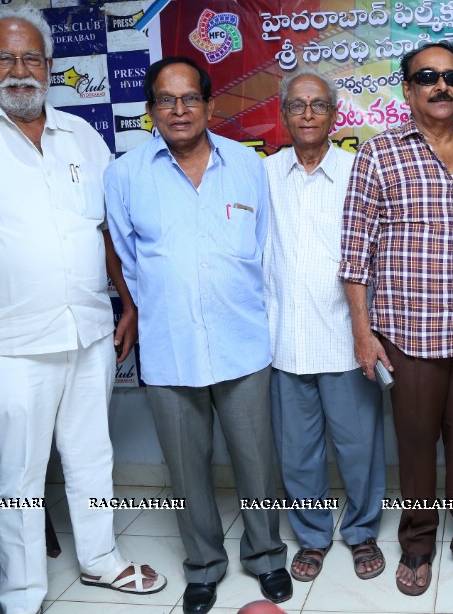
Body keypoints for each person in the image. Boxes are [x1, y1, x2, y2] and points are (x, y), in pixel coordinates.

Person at [0, 4, 165, 614]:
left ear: (51, 65)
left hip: (88, 332)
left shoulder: (81, 136)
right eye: (5, 57)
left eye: (31, 57)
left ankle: (101, 561)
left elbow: (107, 231)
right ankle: (23, 592)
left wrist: (129, 304)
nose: (19, 70)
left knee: (92, 455)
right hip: (9, 343)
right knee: (21, 475)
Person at [104, 56, 291, 614]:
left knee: (257, 460)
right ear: (150, 111)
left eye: (190, 99)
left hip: (242, 342)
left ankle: (266, 557)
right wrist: (141, 306)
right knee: (186, 468)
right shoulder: (125, 175)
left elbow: (262, 249)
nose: (179, 110)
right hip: (170, 345)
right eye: (166, 99)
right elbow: (122, 254)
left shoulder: (247, 167)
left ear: (210, 106)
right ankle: (204, 567)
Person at [339, 41, 453, 596]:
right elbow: (354, 252)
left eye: (452, 78)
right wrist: (363, 334)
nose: (442, 86)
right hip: (407, 336)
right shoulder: (379, 154)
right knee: (414, 450)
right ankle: (416, 544)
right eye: (428, 77)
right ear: (407, 89)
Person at [263, 70, 386, 582]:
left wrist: (370, 330)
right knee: (297, 455)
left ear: (335, 115)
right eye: (297, 106)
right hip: (283, 341)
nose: (308, 114)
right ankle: (312, 537)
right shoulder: (262, 173)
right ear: (284, 114)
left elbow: (379, 255)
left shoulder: (360, 170)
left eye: (318, 105)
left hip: (346, 338)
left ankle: (360, 533)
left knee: (360, 451)